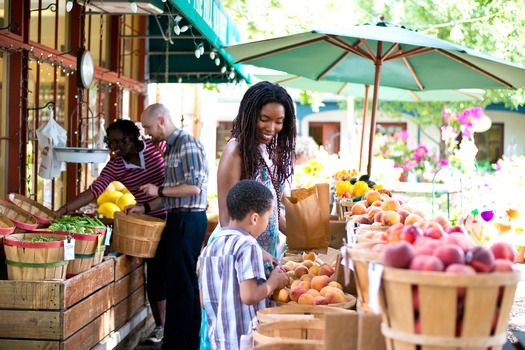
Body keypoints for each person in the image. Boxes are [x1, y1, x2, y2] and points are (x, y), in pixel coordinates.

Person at [200, 81, 297, 350]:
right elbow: (227, 218)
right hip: (239, 261)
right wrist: (259, 254)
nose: (271, 128)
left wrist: (302, 237)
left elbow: (271, 210)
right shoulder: (236, 151)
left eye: (279, 121)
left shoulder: (266, 150)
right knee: (237, 335)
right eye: (264, 119)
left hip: (259, 259)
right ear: (249, 114)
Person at [54, 119, 168, 343]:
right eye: (111, 142)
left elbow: (173, 153)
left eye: (120, 141)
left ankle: (181, 323)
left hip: (174, 214)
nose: (115, 147)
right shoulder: (116, 165)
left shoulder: (155, 147)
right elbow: (95, 190)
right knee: (156, 275)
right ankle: (162, 326)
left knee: (175, 272)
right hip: (147, 225)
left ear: (134, 137)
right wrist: (64, 209)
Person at [126, 103, 209, 350]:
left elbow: (194, 187)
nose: (147, 133)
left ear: (161, 120)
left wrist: (158, 190)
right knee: (184, 285)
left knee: (179, 287)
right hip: (178, 218)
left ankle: (175, 344)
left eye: (149, 127)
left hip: (188, 219)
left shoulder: (187, 144)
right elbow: (173, 190)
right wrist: (146, 208)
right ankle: (189, 343)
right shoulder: (171, 147)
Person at [199, 180, 289, 350]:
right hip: (245, 341)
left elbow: (204, 300)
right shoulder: (249, 246)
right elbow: (249, 295)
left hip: (219, 340)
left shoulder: (210, 247)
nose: (268, 224)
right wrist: (273, 283)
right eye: (268, 218)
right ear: (255, 218)